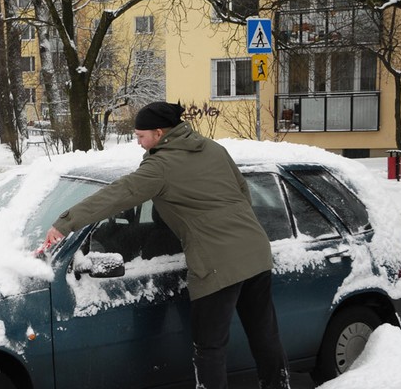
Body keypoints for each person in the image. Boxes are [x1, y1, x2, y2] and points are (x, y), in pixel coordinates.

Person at [43, 102, 290, 389]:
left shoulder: (160, 166)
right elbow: (242, 193)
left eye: (140, 136)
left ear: (159, 133)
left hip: (216, 263)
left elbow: (117, 195)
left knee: (209, 348)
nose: (138, 143)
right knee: (264, 333)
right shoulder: (212, 148)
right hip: (256, 250)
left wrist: (64, 222)